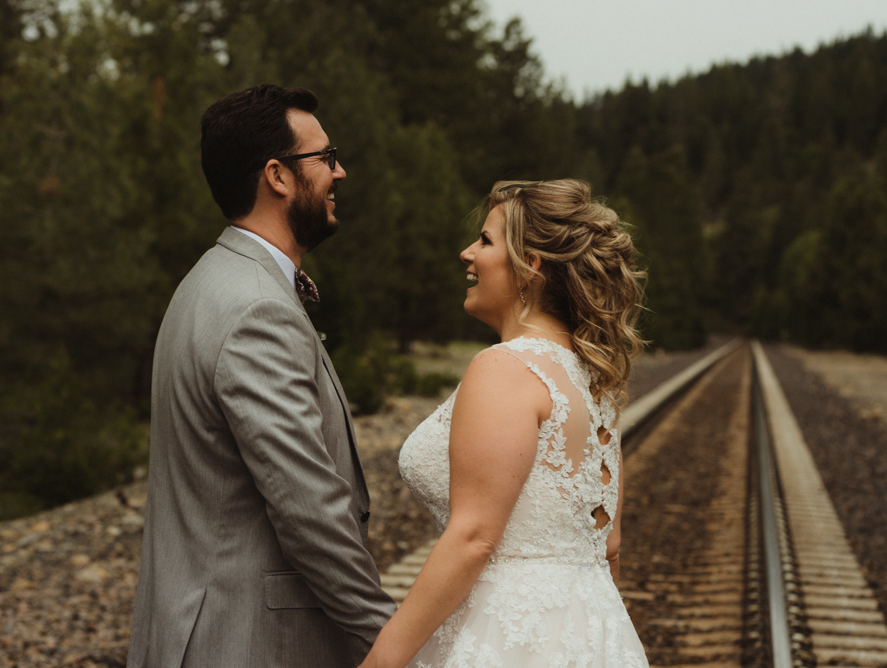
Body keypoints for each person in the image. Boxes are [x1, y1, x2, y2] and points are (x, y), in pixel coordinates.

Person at [127, 84, 395, 668]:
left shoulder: (210, 280)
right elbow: (309, 508)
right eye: (325, 158)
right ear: (277, 175)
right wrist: (392, 642)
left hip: (205, 626)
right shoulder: (256, 308)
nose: (340, 172)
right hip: (244, 640)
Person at [359, 179, 649, 668]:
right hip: (596, 634)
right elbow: (609, 546)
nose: (467, 253)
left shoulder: (506, 368)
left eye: (486, 241)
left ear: (528, 266)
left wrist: (379, 664)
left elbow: (474, 538)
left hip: (504, 636)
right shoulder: (593, 382)